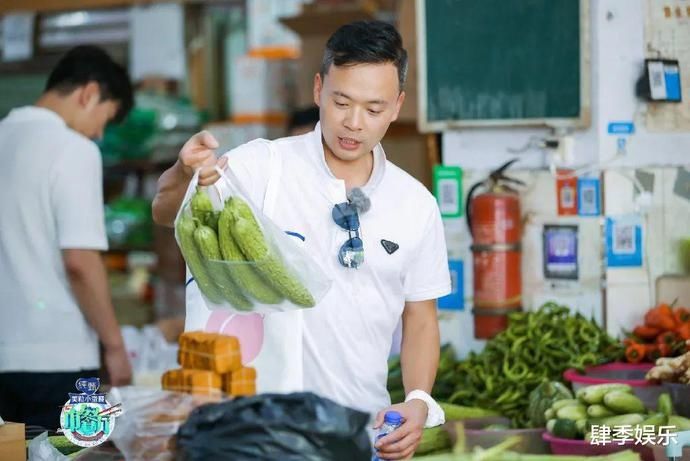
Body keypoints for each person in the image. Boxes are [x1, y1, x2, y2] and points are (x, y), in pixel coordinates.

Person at [153, 21, 449, 459]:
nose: (353, 123)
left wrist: (420, 398)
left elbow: (421, 317)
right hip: (256, 431)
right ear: (318, 89)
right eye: (341, 101)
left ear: (397, 106)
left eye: (373, 109)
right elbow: (165, 213)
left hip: (360, 431)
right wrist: (183, 172)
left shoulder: (416, 204)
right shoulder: (264, 166)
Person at [0, 45, 134, 430]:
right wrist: (114, 346)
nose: (99, 133)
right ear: (89, 93)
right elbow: (79, 261)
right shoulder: (74, 149)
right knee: (77, 452)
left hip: (5, 359)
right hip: (60, 359)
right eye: (104, 119)